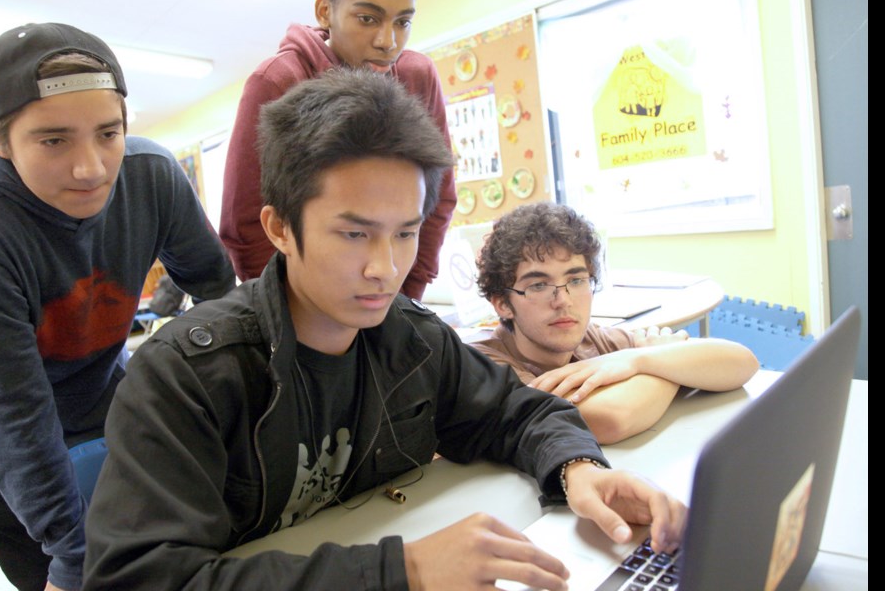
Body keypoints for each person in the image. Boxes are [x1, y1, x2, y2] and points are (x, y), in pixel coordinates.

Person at [84, 70, 686, 590]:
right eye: (354, 234)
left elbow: (520, 412)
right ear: (279, 229)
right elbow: (138, 578)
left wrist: (578, 471)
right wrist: (403, 573)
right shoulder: (187, 374)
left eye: (405, 232)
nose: (387, 267)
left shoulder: (410, 338)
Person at [0, 22, 235, 591]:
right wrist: (72, 561)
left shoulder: (152, 175)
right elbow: (12, 416)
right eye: (54, 140)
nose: (92, 168)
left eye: (108, 133)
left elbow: (221, 296)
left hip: (100, 387)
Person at [220, 0, 455, 300]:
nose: (387, 41)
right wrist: (289, 314)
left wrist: (405, 299)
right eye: (367, 18)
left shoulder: (417, 76)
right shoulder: (277, 81)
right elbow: (247, 223)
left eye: (402, 22)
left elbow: (437, 200)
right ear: (325, 11)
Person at [472, 203, 759, 444]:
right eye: (537, 285)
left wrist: (638, 359)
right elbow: (612, 419)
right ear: (502, 303)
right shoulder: (485, 366)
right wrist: (662, 364)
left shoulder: (593, 340)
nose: (564, 301)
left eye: (576, 280)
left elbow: (742, 362)